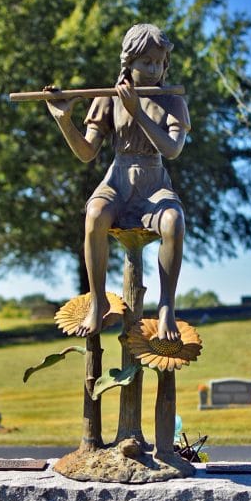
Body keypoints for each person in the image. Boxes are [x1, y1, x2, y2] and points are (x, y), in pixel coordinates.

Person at [46, 23, 190, 340]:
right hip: (118, 180)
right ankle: (98, 303)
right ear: (129, 61)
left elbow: (172, 149)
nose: (154, 69)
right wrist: (65, 121)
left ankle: (167, 308)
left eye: (160, 61)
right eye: (146, 62)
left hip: (154, 182)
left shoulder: (172, 101)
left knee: (174, 222)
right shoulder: (108, 99)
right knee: (95, 215)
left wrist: (137, 111)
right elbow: (86, 152)